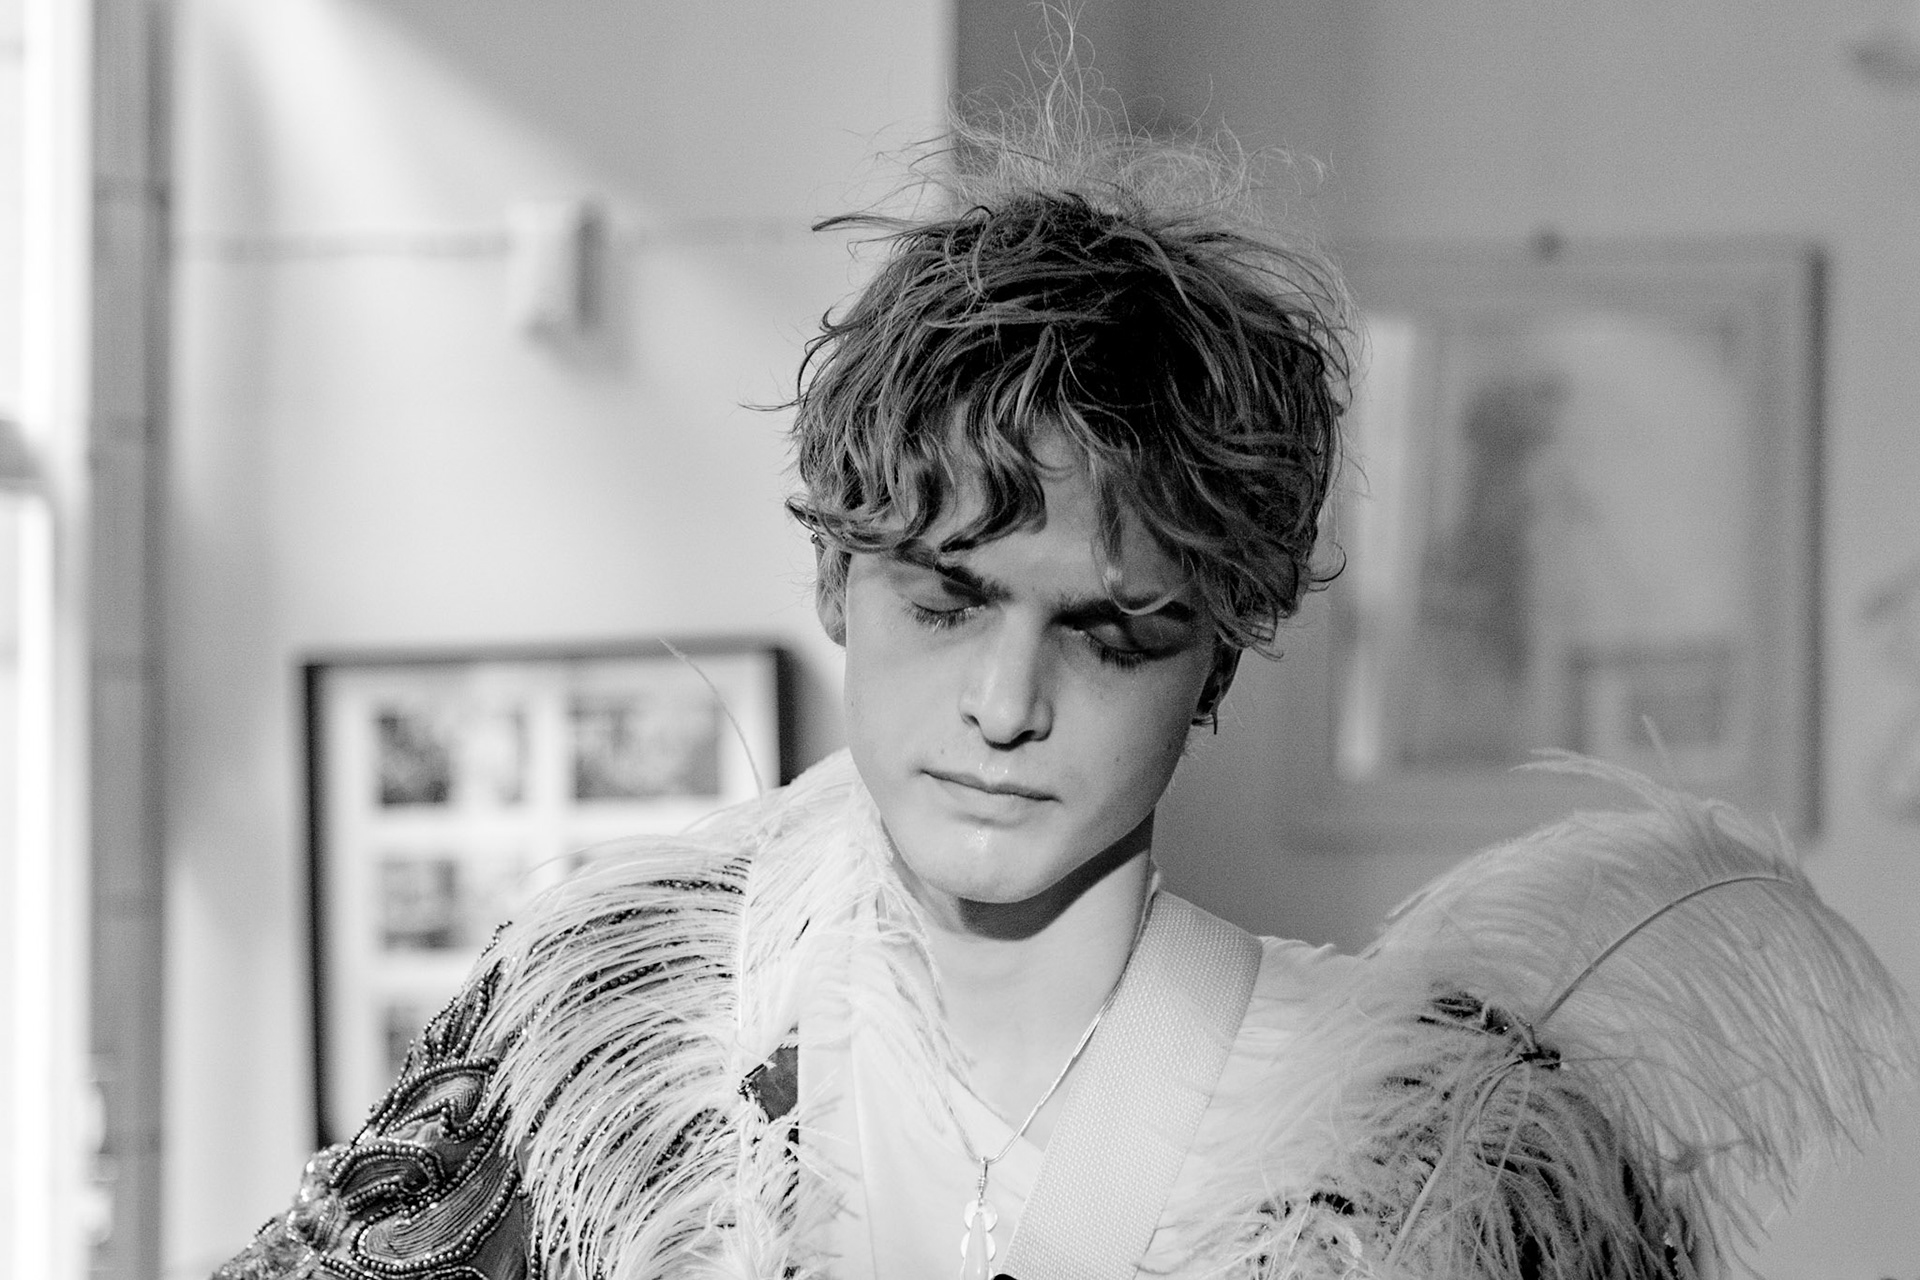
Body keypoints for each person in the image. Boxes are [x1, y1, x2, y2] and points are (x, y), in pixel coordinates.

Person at [214, 54, 1912, 1280]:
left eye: (1110, 630)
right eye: (949, 600)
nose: (1008, 703)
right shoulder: (597, 1043)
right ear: (838, 575)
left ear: (1217, 656)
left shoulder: (1431, 1164)